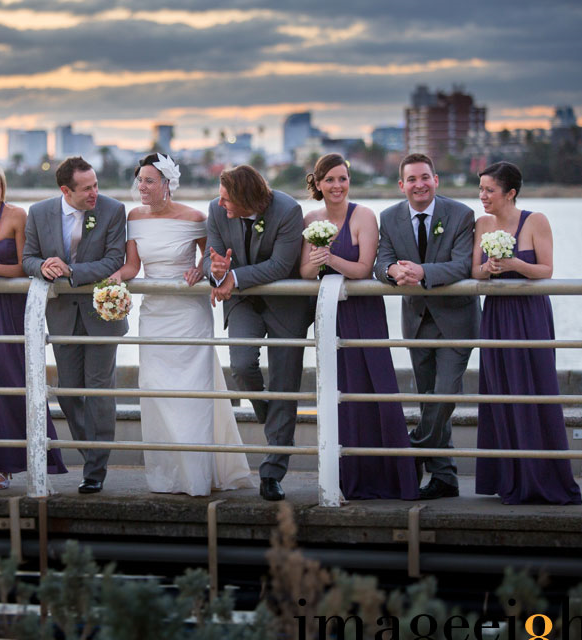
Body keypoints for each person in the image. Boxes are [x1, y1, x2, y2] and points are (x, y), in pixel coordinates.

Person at [109, 154, 254, 496]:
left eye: (149, 181)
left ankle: (197, 476)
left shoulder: (195, 218)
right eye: (140, 180)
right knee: (155, 389)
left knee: (192, 393)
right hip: (154, 314)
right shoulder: (134, 218)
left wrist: (199, 269)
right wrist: (114, 278)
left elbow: (211, 259)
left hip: (189, 314)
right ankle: (168, 474)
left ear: (167, 184)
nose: (141, 187)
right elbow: (133, 266)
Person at [299, 154, 418, 500]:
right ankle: (348, 476)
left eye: (343, 179)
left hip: (364, 313)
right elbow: (304, 272)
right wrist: (316, 262)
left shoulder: (364, 216)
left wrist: (330, 258)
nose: (337, 186)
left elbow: (364, 268)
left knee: (377, 386)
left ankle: (392, 477)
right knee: (339, 390)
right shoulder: (310, 219)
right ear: (318, 184)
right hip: (331, 316)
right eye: (330, 180)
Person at [471, 161, 582, 505]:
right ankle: (508, 477)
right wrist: (488, 268)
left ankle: (543, 476)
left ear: (510, 193)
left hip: (529, 314)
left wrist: (516, 264)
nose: (483, 196)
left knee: (535, 386)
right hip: (496, 315)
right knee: (500, 389)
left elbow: (546, 270)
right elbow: (474, 271)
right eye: (481, 189)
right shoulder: (482, 224)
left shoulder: (535, 221)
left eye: (489, 190)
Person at [373, 153, 480, 500]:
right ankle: (444, 477)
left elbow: (463, 265)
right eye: (412, 179)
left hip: (456, 319)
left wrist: (422, 272)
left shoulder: (461, 214)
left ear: (436, 180)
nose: (419, 185)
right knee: (427, 398)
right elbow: (381, 262)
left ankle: (413, 447)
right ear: (401, 184)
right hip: (417, 320)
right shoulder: (389, 217)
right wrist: (392, 272)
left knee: (445, 394)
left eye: (425, 178)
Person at [203, 165, 312, 502]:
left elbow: (281, 265)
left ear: (247, 199)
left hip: (286, 306)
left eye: (227, 199)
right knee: (241, 365)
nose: (221, 204)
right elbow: (211, 258)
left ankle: (272, 474)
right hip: (243, 303)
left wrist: (234, 278)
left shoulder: (288, 210)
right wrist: (217, 271)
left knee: (284, 385)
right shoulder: (216, 210)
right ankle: (275, 422)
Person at [0, 161, 67, 489]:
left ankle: (40, 462)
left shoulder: (18, 216)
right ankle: (0, 467)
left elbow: (24, 266)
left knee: (18, 380)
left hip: (12, 308)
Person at [22, 156, 127, 494]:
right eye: (86, 189)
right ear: (65, 191)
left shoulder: (113, 210)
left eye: (96, 185)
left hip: (102, 315)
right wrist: (43, 267)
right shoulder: (39, 212)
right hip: (62, 316)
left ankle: (95, 471)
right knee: (68, 393)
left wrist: (71, 271)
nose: (94, 192)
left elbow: (115, 260)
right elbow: (27, 258)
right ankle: (92, 453)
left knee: (98, 392)